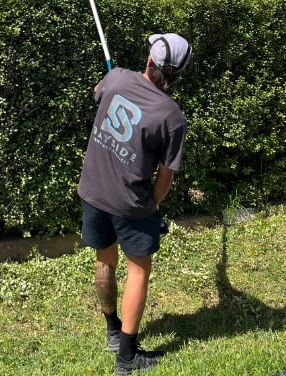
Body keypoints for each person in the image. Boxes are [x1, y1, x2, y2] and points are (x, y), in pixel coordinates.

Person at [77, 33, 192, 375]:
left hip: (93, 191)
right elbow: (165, 178)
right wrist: (152, 207)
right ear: (178, 74)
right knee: (138, 270)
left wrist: (116, 83)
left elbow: (99, 91)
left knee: (105, 259)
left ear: (149, 61)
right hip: (131, 203)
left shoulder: (116, 78)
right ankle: (126, 357)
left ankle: (114, 331)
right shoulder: (173, 118)